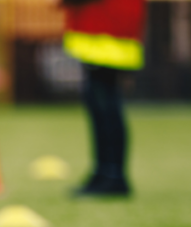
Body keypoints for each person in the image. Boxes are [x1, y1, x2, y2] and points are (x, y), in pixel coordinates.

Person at [62, 0, 147, 197]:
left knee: (105, 102)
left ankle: (112, 175)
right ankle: (104, 172)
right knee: (100, 100)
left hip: (106, 23)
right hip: (105, 20)